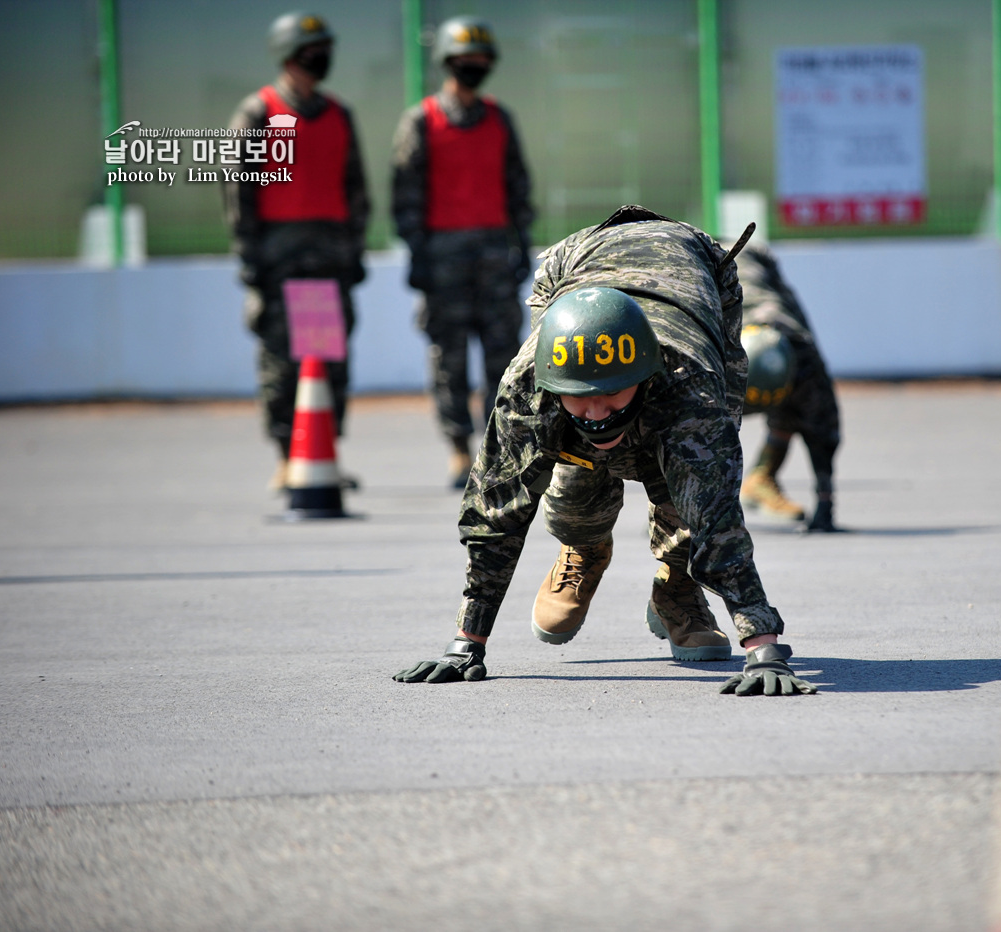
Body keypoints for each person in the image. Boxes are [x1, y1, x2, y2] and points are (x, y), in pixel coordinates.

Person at [393, 206, 817, 696]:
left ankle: (676, 584)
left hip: (699, 273)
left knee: (689, 486)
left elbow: (718, 516)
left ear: (643, 377)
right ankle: (584, 545)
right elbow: (497, 511)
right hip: (572, 265)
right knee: (577, 466)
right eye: (579, 395)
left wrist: (761, 646)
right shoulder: (529, 386)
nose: (595, 411)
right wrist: (466, 642)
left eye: (611, 394)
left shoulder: (688, 387)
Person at [225, 11, 369, 492]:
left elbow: (355, 189)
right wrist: (249, 256)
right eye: (311, 51)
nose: (320, 58)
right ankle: (288, 455)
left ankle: (322, 451)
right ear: (288, 56)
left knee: (328, 361)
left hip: (329, 260)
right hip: (278, 261)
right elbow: (238, 190)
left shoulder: (338, 114)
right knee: (282, 363)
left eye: (324, 49)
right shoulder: (259, 112)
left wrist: (354, 250)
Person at [390, 16, 536, 488]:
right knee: (448, 360)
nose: (473, 67)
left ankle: (499, 450)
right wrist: (417, 255)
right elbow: (405, 195)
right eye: (464, 61)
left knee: (505, 360)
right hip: (444, 261)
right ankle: (457, 448)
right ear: (448, 64)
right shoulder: (422, 121)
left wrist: (522, 246)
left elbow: (518, 188)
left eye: (480, 61)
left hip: (494, 259)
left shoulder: (500, 119)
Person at [735, 243, 842, 533]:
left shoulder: (800, 352)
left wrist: (825, 505)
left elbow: (824, 428)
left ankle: (762, 476)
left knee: (809, 401)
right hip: (709, 256)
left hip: (755, 261)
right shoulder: (717, 350)